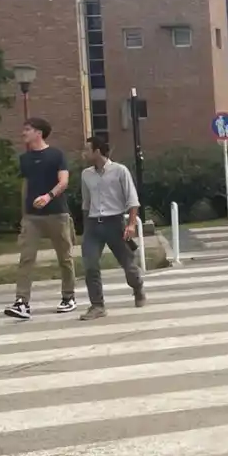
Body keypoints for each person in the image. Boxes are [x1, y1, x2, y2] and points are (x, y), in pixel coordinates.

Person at [4, 117, 77, 321]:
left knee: (65, 257)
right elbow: (26, 186)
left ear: (39, 133)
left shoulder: (56, 155)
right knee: (26, 258)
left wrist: (48, 196)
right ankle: (22, 302)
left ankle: (68, 297)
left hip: (57, 213)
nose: (23, 133)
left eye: (27, 130)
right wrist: (23, 214)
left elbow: (64, 182)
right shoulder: (24, 159)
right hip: (32, 218)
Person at [79, 135, 146, 320]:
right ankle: (97, 305)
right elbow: (86, 203)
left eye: (87, 150)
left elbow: (133, 201)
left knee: (128, 265)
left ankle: (138, 287)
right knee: (90, 264)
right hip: (93, 224)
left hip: (114, 223)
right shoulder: (86, 175)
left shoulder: (119, 171)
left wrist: (131, 224)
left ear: (97, 151)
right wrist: (85, 228)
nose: (83, 153)